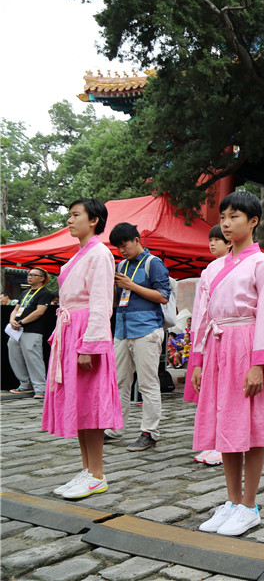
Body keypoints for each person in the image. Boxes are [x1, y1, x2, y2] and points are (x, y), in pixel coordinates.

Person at [191, 191, 264, 536]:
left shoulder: (261, 264)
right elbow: (202, 317)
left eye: (234, 216)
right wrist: (198, 360)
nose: (226, 223)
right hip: (218, 349)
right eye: (223, 217)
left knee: (252, 428)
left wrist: (259, 365)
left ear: (253, 221)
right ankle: (232, 501)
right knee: (226, 426)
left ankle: (249, 505)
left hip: (247, 347)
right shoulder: (212, 268)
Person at [42, 198, 122, 499]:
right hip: (70, 329)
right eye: (69, 215)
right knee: (79, 403)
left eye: (75, 215)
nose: (69, 220)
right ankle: (87, 469)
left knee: (91, 403)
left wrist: (90, 345)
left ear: (93, 220)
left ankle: (97, 473)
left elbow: (101, 302)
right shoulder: (80, 254)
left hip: (85, 331)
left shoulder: (100, 253)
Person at [104, 222, 171, 452]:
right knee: (120, 382)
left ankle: (149, 432)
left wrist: (131, 285)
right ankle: (115, 428)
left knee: (147, 383)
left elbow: (163, 296)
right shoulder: (121, 265)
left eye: (125, 245)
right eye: (118, 247)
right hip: (122, 330)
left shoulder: (154, 263)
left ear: (136, 240)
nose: (122, 250)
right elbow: (116, 301)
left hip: (146, 330)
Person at [185, 225, 230, 467]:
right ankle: (212, 439)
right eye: (210, 240)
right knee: (211, 390)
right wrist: (197, 336)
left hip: (229, 333)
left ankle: (225, 443)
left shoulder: (238, 265)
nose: (212, 244)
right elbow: (200, 308)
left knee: (226, 392)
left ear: (229, 242)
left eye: (217, 240)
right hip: (209, 334)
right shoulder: (208, 270)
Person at [8, 268, 53, 398]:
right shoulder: (25, 292)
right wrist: (12, 320)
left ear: (42, 278)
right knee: (15, 357)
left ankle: (40, 388)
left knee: (33, 359)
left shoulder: (45, 293)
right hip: (16, 331)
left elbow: (39, 312)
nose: (30, 277)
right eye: (29, 274)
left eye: (34, 275)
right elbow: (16, 309)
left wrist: (22, 322)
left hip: (32, 330)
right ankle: (24, 384)